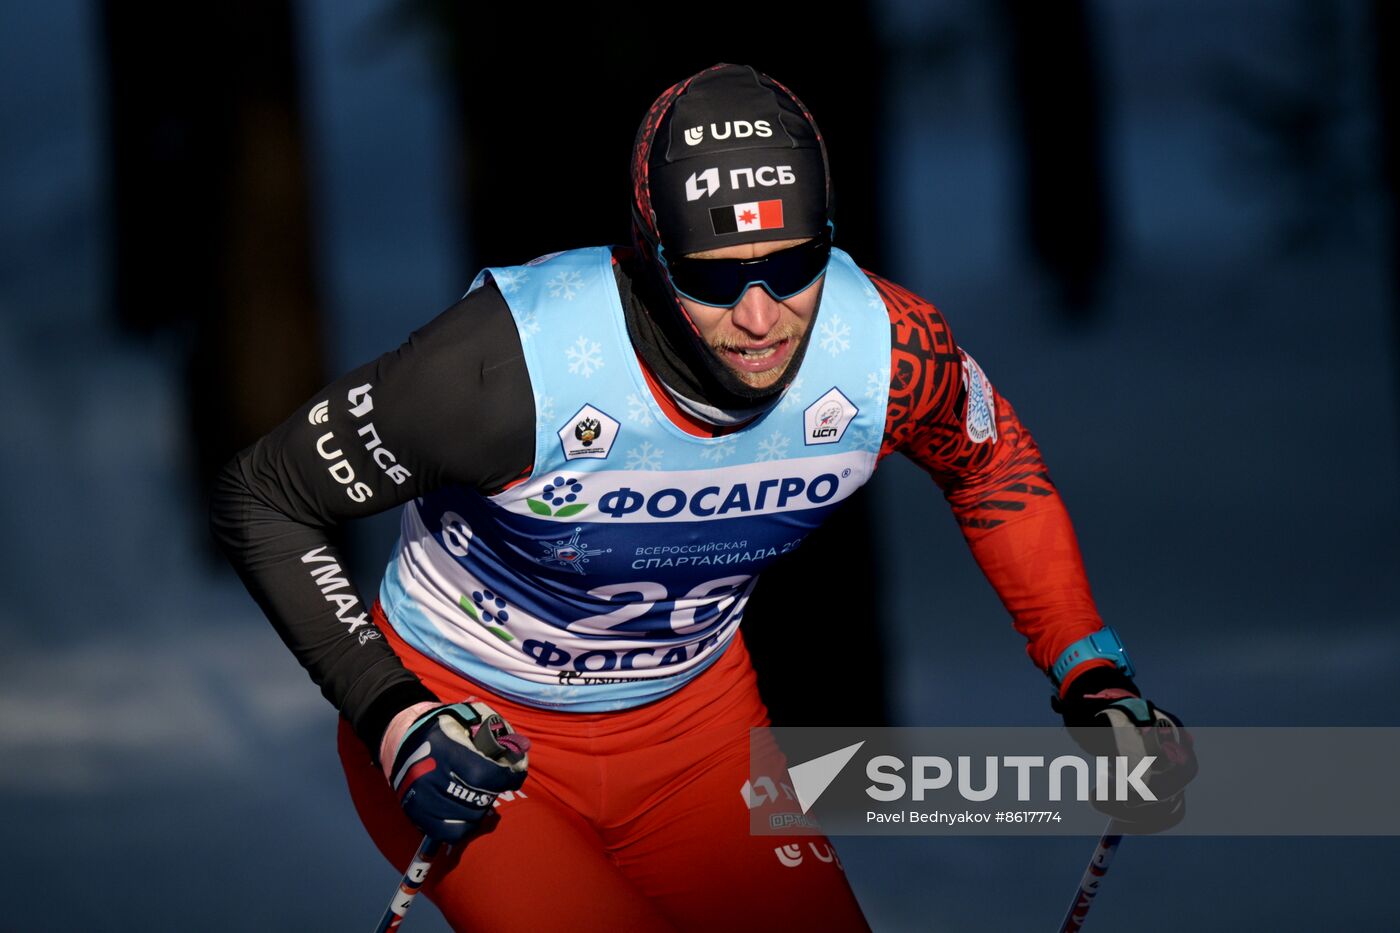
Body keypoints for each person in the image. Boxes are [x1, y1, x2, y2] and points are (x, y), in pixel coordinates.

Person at [211, 63, 1192, 932]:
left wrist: (1087, 673)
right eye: (713, 280)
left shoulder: (885, 349)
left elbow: (990, 467)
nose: (760, 316)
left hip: (696, 744)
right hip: (476, 733)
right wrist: (397, 718)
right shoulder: (510, 365)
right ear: (646, 255)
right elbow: (264, 495)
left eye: (793, 266)